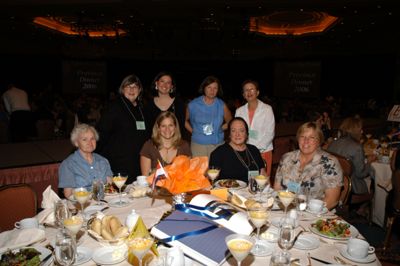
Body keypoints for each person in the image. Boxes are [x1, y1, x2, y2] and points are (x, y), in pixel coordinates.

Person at [274, 122, 342, 210]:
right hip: (286, 208)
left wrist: (306, 215)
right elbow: (277, 189)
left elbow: (332, 200)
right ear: (298, 139)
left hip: (315, 214)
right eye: (302, 137)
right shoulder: (287, 158)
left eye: (312, 137)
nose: (306, 141)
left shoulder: (329, 163)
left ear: (319, 142)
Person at [96, 74, 150, 184]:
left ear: (139, 90)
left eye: (135, 86)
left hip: (139, 160)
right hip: (119, 162)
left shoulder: (142, 108)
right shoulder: (114, 107)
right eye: (128, 86)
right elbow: (102, 133)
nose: (131, 89)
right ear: (122, 89)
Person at [58, 123, 113, 198]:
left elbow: (110, 187)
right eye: (84, 139)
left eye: (92, 139)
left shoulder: (103, 161)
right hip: (81, 205)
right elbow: (68, 195)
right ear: (76, 143)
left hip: (103, 203)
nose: (90, 143)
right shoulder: (68, 164)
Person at [235, 80, 275, 177]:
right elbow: (236, 131)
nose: (249, 92)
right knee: (247, 179)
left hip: (263, 151)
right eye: (246, 90)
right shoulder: (239, 111)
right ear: (243, 94)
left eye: (252, 89)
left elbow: (270, 133)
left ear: (257, 92)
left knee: (262, 181)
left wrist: (254, 150)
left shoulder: (267, 109)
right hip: (244, 152)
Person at [185, 76, 232, 157]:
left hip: (217, 145)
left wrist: (220, 128)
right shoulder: (193, 104)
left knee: (216, 169)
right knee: (200, 169)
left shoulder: (221, 105)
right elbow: (183, 120)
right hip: (198, 145)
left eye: (215, 88)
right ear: (204, 88)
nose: (212, 91)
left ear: (218, 90)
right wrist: (193, 131)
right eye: (209, 87)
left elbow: (230, 122)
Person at [327, 116, 376, 194]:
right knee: (376, 180)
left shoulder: (333, 142)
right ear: (355, 131)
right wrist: (369, 162)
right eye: (360, 129)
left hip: (332, 183)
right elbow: (361, 174)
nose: (362, 132)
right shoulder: (357, 147)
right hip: (351, 187)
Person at [209, 117, 266, 184]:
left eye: (241, 131)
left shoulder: (254, 150)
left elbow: (263, 176)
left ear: (246, 134)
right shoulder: (218, 153)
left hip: (253, 191)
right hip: (228, 192)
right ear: (229, 134)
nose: (237, 134)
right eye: (233, 131)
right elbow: (213, 181)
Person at [140, 111, 191, 175]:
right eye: (163, 126)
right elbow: (145, 177)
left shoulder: (184, 146)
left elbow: (188, 174)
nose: (167, 129)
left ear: (175, 127)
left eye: (170, 125)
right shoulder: (149, 146)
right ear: (158, 128)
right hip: (154, 185)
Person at [145, 71, 187, 139]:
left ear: (172, 86)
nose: (165, 85)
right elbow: (148, 129)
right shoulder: (148, 105)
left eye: (168, 82)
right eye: (162, 81)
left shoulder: (179, 103)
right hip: (155, 143)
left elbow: (181, 128)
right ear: (156, 83)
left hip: (174, 143)